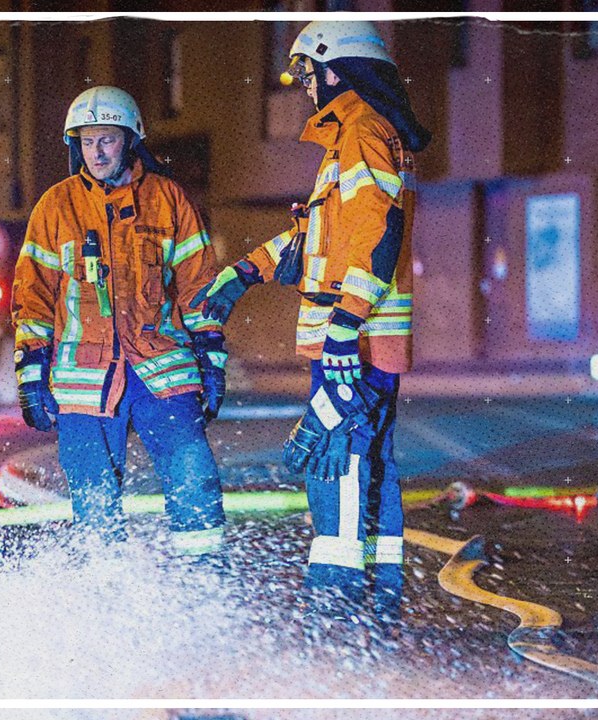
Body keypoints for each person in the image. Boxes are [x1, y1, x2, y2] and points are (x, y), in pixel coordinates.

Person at [191, 20, 430, 620]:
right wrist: (244, 273)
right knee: (362, 462)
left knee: (335, 459)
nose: (302, 85)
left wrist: (346, 324)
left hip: (356, 343)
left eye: (306, 73)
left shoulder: (363, 134)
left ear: (337, 71)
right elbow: (316, 238)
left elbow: (380, 232)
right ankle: (376, 604)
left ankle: (339, 605)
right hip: (355, 341)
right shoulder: (348, 141)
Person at [11, 86, 228, 558]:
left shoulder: (168, 200)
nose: (96, 152)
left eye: (106, 139)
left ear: (130, 140)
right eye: (87, 142)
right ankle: (106, 592)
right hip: (83, 381)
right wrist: (30, 372)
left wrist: (212, 359)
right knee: (94, 504)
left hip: (161, 368)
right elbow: (33, 296)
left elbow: (198, 286)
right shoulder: (55, 206)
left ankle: (205, 577)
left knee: (194, 478)